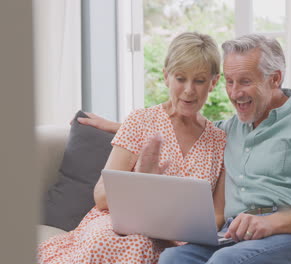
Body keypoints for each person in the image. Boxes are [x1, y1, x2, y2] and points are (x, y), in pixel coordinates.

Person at [79, 34, 291, 264]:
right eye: (230, 82)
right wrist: (124, 126)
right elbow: (184, 126)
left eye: (245, 81)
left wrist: (272, 223)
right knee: (171, 259)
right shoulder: (231, 128)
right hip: (232, 232)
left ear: (275, 78)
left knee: (224, 261)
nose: (234, 93)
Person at [37, 32, 227, 264]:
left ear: (214, 82)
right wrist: (142, 182)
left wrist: (182, 233)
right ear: (166, 76)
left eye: (199, 81)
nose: (189, 90)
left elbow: (217, 215)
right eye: (180, 78)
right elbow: (101, 197)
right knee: (135, 244)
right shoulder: (140, 121)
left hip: (179, 243)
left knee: (156, 250)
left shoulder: (219, 140)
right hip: (119, 228)